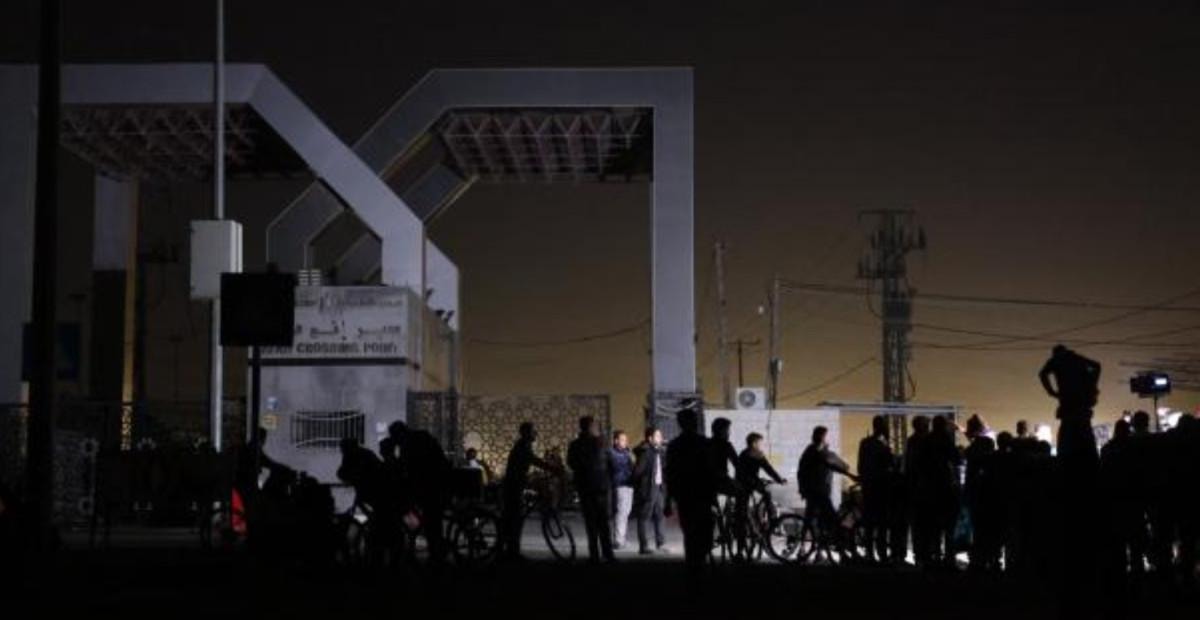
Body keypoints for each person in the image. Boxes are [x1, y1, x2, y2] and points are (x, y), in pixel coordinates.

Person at [382, 420, 452, 563]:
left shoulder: (410, 444)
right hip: (435, 484)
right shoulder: (417, 438)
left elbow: (404, 468)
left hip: (432, 486)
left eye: (394, 437)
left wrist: (389, 454)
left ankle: (436, 554)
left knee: (431, 521)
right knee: (430, 520)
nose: (395, 440)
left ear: (398, 434)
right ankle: (433, 548)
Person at [666, 406, 716, 573]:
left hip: (685, 496)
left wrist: (668, 499)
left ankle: (693, 566)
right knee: (704, 531)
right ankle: (698, 562)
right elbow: (711, 471)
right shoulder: (704, 443)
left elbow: (670, 473)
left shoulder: (674, 446)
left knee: (690, 533)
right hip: (701, 495)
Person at [501, 422, 555, 560]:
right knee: (515, 518)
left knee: (513, 518)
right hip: (513, 487)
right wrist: (552, 468)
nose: (535, 433)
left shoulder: (524, 445)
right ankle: (512, 552)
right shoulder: (523, 447)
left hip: (515, 485)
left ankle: (508, 549)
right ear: (526, 433)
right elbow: (534, 460)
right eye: (533, 431)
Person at [797, 425, 855, 549]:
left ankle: (810, 548)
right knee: (831, 517)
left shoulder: (819, 451)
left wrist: (845, 468)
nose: (827, 439)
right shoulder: (815, 452)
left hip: (817, 490)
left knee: (813, 519)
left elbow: (838, 463)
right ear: (821, 437)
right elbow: (831, 465)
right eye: (825, 436)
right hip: (818, 491)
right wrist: (849, 474)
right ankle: (838, 546)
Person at [567, 416, 616, 563]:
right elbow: (611, 463)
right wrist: (608, 481)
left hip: (586, 487)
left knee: (591, 523)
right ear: (591, 427)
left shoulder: (575, 445)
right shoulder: (601, 443)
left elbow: (571, 463)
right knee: (603, 523)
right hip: (600, 487)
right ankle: (608, 554)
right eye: (594, 425)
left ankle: (594, 555)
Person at [733, 432, 784, 554]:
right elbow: (768, 468)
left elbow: (740, 472)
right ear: (754, 443)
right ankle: (773, 519)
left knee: (741, 515)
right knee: (767, 494)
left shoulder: (743, 453)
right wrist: (779, 479)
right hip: (751, 483)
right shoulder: (756, 453)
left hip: (741, 485)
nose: (761, 445)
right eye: (760, 443)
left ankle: (740, 549)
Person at [963, 414, 999, 572]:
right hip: (988, 491)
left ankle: (977, 558)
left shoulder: (973, 448)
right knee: (988, 526)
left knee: (976, 526)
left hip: (974, 491)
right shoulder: (988, 443)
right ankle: (991, 558)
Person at [858, 415, 894, 563]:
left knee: (870, 522)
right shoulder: (883, 445)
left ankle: (870, 553)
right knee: (882, 522)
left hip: (868, 486)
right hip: (881, 486)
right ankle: (882, 553)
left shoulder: (865, 443)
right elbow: (890, 464)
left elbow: (860, 466)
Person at [633, 426, 668, 555]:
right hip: (648, 488)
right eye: (657, 436)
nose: (661, 438)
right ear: (650, 438)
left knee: (660, 515)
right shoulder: (646, 452)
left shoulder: (660, 451)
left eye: (660, 435)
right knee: (644, 517)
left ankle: (661, 543)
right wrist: (642, 483)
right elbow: (638, 472)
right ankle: (643, 546)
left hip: (659, 488)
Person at [609, 430, 635, 550]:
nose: (625, 442)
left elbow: (632, 466)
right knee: (621, 512)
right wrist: (628, 458)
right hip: (620, 484)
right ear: (616, 441)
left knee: (626, 512)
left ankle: (622, 538)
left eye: (626, 440)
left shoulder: (627, 452)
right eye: (623, 439)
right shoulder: (612, 453)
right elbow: (617, 466)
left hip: (629, 484)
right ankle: (618, 540)